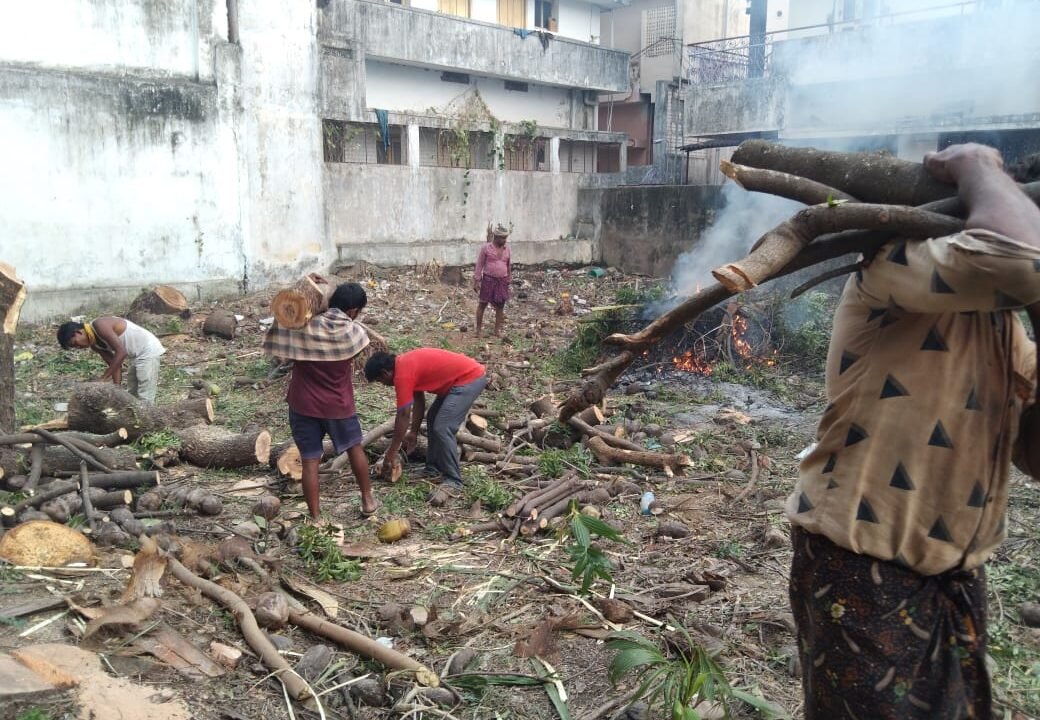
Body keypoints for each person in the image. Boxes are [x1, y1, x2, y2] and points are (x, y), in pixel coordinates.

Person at [788, 143, 1040, 720]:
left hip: (954, 570)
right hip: (861, 564)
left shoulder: (1004, 325)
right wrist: (978, 164)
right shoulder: (892, 267)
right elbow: (1025, 258)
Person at [262, 282, 379, 520]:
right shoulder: (353, 332)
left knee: (310, 460)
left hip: (303, 404)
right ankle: (368, 500)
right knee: (355, 448)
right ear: (354, 311)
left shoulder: (304, 328)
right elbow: (356, 353)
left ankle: (315, 517)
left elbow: (282, 322)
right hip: (338, 404)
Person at [364, 349, 487, 506]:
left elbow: (403, 415)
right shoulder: (404, 364)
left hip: (469, 379)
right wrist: (413, 432)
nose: (385, 385)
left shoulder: (402, 374)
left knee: (443, 427)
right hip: (459, 380)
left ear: (384, 373)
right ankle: (433, 467)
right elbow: (419, 401)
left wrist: (391, 452)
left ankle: (453, 479)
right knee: (433, 418)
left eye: (380, 381)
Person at [57, 316, 166, 402]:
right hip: (136, 355)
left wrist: (103, 378)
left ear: (78, 332)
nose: (78, 347)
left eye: (75, 343)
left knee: (144, 391)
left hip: (148, 350)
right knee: (132, 391)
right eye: (74, 347)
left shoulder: (99, 325)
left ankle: (147, 421)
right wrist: (116, 389)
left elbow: (121, 352)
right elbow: (114, 365)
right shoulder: (95, 345)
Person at [474, 223, 512, 337]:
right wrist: (476, 280)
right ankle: (478, 330)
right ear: (496, 237)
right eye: (502, 238)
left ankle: (497, 331)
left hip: (502, 280)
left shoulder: (507, 249)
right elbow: (479, 264)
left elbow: (508, 265)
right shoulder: (486, 248)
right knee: (482, 304)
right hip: (488, 280)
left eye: (505, 238)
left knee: (500, 306)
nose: (504, 240)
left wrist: (509, 279)